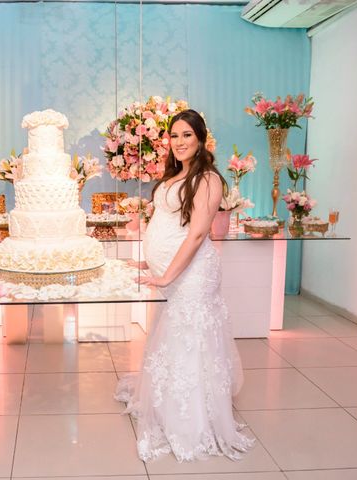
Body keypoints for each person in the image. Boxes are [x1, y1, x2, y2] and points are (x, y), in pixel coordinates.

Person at [115, 109, 254, 462]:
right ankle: (172, 405)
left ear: (200, 138)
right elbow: (171, 225)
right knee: (178, 339)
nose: (179, 142)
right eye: (174, 135)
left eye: (186, 135)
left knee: (191, 340)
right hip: (175, 271)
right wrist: (149, 260)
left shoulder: (208, 179)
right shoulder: (176, 175)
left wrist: (166, 275)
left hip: (194, 274)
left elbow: (194, 236)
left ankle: (192, 419)